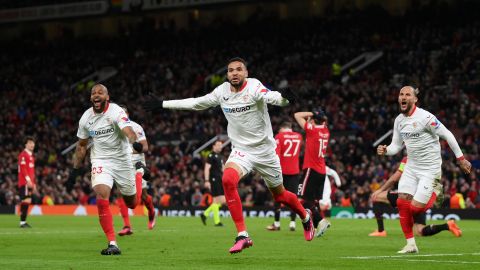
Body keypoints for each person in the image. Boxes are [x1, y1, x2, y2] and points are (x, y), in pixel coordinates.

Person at [143, 57, 314, 254]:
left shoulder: (254, 86)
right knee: (228, 179)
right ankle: (243, 234)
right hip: (242, 150)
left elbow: (272, 97)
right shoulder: (221, 91)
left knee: (280, 196)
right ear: (227, 75)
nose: (235, 73)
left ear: (246, 73)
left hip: (266, 152)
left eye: (239, 69)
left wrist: (285, 99)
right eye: (231, 70)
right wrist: (162, 104)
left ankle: (305, 216)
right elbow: (197, 103)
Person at [377, 86, 471, 254]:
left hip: (430, 169)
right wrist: (386, 150)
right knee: (401, 201)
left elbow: (448, 134)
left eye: (407, 94)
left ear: (414, 99)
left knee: (415, 209)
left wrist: (461, 159)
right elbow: (396, 146)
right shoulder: (399, 120)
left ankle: (436, 189)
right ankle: (411, 244)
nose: (403, 97)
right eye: (401, 94)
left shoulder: (426, 118)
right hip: (412, 167)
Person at [68, 84, 146, 255]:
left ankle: (139, 175)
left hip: (122, 160)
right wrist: (74, 171)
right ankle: (113, 243)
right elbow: (81, 146)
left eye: (100, 92)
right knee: (102, 195)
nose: (96, 95)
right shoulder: (85, 118)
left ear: (107, 97)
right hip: (100, 160)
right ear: (90, 98)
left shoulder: (116, 111)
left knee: (132, 204)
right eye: (93, 93)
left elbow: (128, 130)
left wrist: (134, 142)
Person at [370, 156, 462, 238]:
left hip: (407, 196)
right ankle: (447, 225)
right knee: (420, 231)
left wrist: (381, 189)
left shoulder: (407, 159)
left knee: (376, 196)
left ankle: (381, 231)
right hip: (421, 199)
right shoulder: (427, 161)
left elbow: (395, 178)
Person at [116, 105, 156, 236]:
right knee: (121, 193)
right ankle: (127, 226)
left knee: (143, 196)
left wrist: (132, 149)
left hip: (136, 162)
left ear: (127, 114)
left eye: (123, 112)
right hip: (122, 163)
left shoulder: (136, 127)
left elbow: (145, 147)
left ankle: (151, 212)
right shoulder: (114, 128)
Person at [294, 109, 330, 233]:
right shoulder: (326, 131)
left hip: (311, 169)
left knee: (301, 200)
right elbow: (322, 121)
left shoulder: (312, 130)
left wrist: (311, 114)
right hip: (322, 171)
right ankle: (317, 227)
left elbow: (297, 115)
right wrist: (315, 117)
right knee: (314, 201)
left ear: (313, 121)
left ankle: (321, 221)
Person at [266, 122, 302, 232]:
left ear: (282, 128)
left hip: (281, 171)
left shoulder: (279, 136)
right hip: (295, 171)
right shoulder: (299, 136)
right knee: (293, 198)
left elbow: (276, 154)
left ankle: (276, 224)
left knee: (278, 196)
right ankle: (292, 223)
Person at [200, 140, 226, 227]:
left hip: (220, 180)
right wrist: (207, 180)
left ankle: (205, 214)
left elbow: (223, 169)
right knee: (219, 200)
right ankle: (216, 221)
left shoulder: (221, 156)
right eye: (218, 145)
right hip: (214, 180)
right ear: (213, 146)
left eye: (221, 145)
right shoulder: (211, 155)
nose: (220, 147)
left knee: (219, 201)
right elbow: (206, 168)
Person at [315, 166, 342, 237]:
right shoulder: (314, 167)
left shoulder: (322, 167)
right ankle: (317, 227)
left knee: (316, 208)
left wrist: (338, 183)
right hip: (319, 192)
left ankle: (322, 223)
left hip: (324, 193)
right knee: (315, 208)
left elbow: (333, 173)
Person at [17, 137, 36, 228]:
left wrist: (34, 183)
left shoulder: (31, 156)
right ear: (25, 144)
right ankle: (22, 222)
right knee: (26, 200)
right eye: (30, 143)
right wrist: (28, 180)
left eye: (33, 143)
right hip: (24, 182)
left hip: (29, 182)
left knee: (28, 200)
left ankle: (23, 222)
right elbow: (23, 169)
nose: (32, 144)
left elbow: (31, 172)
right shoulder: (23, 155)